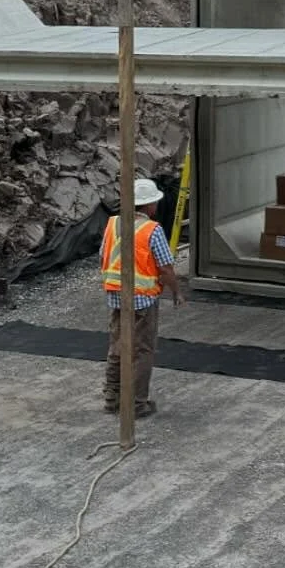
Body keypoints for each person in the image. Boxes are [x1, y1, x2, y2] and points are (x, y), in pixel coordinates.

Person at [101, 178, 182, 416]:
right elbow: (165, 268)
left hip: (116, 294)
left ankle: (112, 398)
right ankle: (137, 404)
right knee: (142, 350)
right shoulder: (152, 230)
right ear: (150, 206)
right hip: (142, 299)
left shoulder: (113, 224)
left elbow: (102, 256)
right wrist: (176, 292)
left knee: (117, 347)